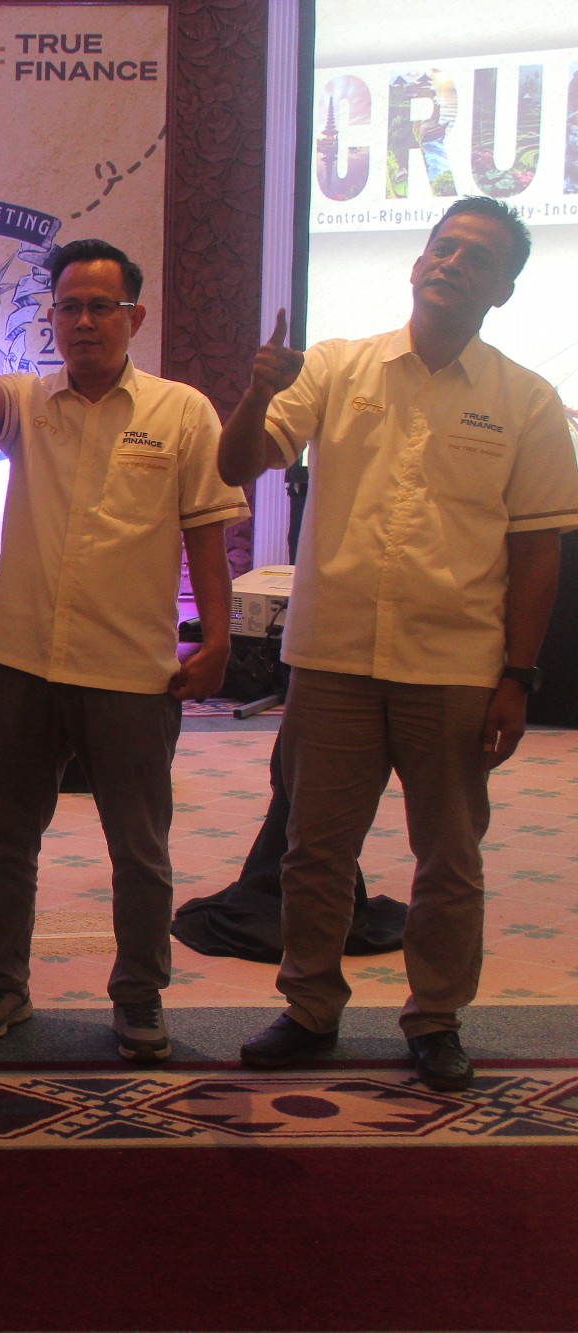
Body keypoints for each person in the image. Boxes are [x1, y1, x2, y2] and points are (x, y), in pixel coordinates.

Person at [219, 196, 578, 1090]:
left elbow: (537, 551)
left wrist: (518, 677)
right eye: (443, 246)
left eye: (477, 257)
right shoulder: (337, 367)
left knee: (448, 857)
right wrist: (260, 386)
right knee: (314, 849)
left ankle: (436, 1018)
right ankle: (309, 1008)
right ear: (418, 262)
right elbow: (236, 464)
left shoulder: (528, 400)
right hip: (332, 658)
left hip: (455, 665)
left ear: (503, 289)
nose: (452, 262)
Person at [0, 236, 247, 1062]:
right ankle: (2, 982)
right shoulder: (27, 400)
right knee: (7, 837)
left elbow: (208, 536)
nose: (83, 321)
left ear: (133, 317)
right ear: (53, 317)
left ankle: (139, 993)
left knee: (138, 848)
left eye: (100, 306)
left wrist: (218, 636)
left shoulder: (182, 411)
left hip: (131, 671)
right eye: (70, 306)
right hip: (24, 663)